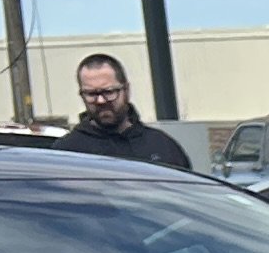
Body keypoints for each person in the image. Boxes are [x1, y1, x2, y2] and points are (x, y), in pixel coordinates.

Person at [51, 52, 190, 170]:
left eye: (109, 92)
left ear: (126, 90)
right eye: (91, 94)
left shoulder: (162, 146)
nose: (101, 101)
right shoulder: (67, 154)